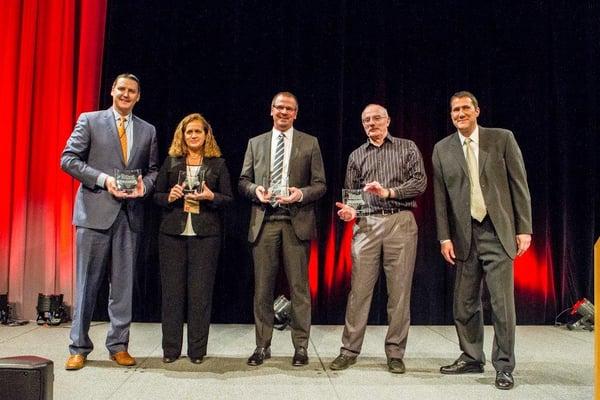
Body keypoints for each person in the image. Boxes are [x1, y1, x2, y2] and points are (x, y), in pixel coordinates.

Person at [432, 91, 532, 390]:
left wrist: (524, 228)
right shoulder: (442, 149)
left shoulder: (501, 139)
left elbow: (519, 184)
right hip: (463, 236)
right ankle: (471, 356)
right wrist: (444, 237)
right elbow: (440, 199)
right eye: (454, 110)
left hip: (496, 231)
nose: (460, 114)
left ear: (477, 110)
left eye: (465, 108)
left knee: (502, 304)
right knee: (464, 303)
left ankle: (503, 365)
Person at [61, 73, 159, 370]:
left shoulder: (148, 130)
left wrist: (145, 187)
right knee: (87, 285)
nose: (126, 95)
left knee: (123, 287)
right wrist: (104, 180)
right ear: (112, 91)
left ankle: (118, 345)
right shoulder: (90, 120)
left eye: (132, 91)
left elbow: (153, 170)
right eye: (121, 89)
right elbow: (68, 159)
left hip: (130, 218)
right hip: (94, 215)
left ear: (138, 96)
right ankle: (78, 346)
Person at [330, 104, 427, 374]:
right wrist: (351, 210)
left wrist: (389, 192)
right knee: (359, 291)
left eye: (376, 118)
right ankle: (349, 350)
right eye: (366, 120)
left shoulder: (407, 148)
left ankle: (395, 352)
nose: (371, 123)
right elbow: (352, 195)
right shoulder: (356, 155)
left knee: (399, 292)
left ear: (388, 120)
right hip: (367, 224)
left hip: (400, 221)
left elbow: (420, 183)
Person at [239, 92, 326, 367]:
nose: (284, 112)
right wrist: (256, 191)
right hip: (264, 223)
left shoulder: (309, 143)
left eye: (289, 109)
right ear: (271, 110)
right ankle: (261, 346)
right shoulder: (256, 143)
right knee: (262, 289)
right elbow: (243, 180)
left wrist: (299, 194)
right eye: (279, 107)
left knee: (299, 289)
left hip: (295, 222)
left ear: (296, 113)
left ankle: (300, 347)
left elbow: (320, 185)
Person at [153, 113, 232, 364]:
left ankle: (197, 351)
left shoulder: (217, 164)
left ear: (206, 134)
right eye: (189, 132)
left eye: (198, 131)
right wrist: (169, 196)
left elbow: (228, 198)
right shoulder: (171, 161)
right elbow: (156, 195)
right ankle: (171, 350)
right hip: (172, 235)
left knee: (200, 295)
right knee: (172, 294)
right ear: (182, 135)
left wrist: (211, 197)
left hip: (206, 236)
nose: (194, 135)